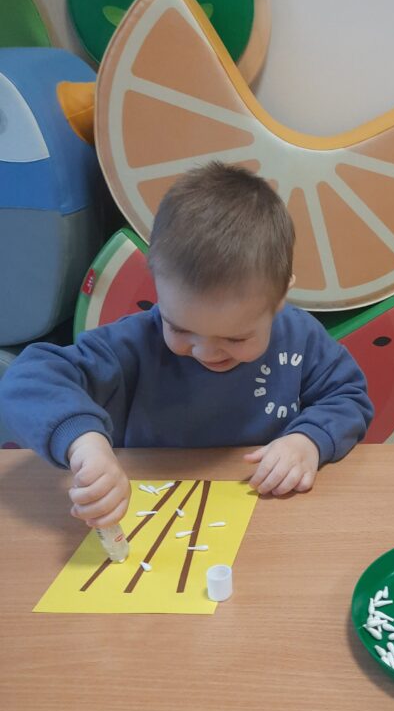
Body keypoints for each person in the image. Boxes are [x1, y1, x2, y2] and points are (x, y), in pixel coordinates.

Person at [0, 162, 373, 529]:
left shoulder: (301, 336)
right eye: (179, 328)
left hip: (268, 511)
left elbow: (348, 396)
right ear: (158, 288)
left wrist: (309, 440)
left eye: (235, 337)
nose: (205, 352)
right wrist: (84, 442)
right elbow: (28, 380)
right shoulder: (133, 343)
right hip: (151, 512)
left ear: (279, 300)